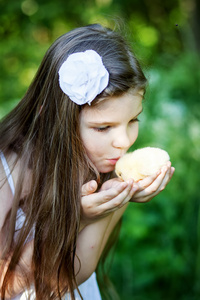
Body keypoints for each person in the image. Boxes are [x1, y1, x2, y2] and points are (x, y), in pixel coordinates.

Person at [0, 23, 174, 300]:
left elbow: (71, 277)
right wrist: (75, 220)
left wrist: (109, 205)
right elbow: (6, 286)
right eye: (103, 128)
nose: (124, 141)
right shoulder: (8, 170)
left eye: (132, 120)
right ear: (52, 120)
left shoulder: (104, 167)